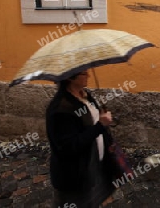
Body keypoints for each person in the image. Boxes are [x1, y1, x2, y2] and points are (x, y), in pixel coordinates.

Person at [46, 70, 116, 208]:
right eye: (84, 74)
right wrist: (100, 125)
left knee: (93, 199)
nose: (88, 76)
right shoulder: (61, 109)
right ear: (71, 78)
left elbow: (93, 122)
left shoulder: (85, 95)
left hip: (94, 163)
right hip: (75, 174)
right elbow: (68, 147)